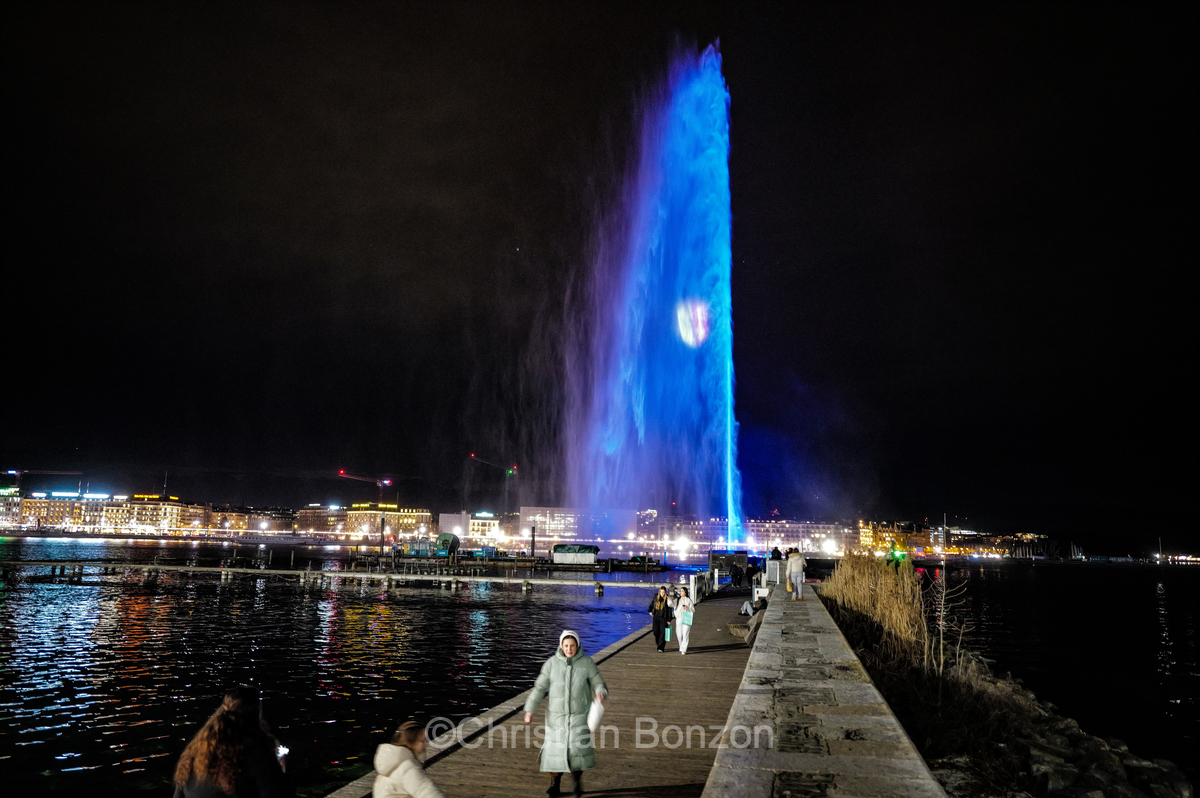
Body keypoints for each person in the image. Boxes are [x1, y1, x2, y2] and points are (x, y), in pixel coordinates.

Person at [523, 630, 608, 797]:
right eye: (566, 645)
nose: (569, 649)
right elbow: (540, 688)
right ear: (561, 645)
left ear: (577, 646)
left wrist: (601, 692)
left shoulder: (587, 663)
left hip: (579, 716)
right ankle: (555, 784)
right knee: (555, 752)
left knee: (577, 752)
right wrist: (529, 709)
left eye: (572, 646)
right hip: (557, 718)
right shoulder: (551, 664)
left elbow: (597, 681)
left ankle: (576, 781)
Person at [173, 686, 294, 798]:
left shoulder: (197, 747)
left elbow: (179, 792)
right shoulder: (256, 750)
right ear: (256, 714)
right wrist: (281, 769)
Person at [372, 720, 444, 798]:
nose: (427, 743)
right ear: (410, 743)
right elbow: (427, 792)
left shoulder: (392, 762)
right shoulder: (408, 767)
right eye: (422, 741)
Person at [648, 586, 672, 652]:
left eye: (663, 592)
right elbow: (652, 605)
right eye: (661, 592)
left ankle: (661, 648)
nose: (662, 593)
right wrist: (650, 610)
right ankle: (659, 644)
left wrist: (669, 619)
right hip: (656, 617)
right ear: (659, 592)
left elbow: (669, 609)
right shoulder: (656, 597)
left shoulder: (667, 599)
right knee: (656, 632)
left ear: (665, 592)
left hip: (663, 618)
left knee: (663, 632)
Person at [671, 586, 695, 655]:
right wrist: (669, 600)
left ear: (685, 592)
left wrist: (687, 608)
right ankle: (681, 645)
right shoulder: (677, 600)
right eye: (680, 591)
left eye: (682, 591)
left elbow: (693, 609)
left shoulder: (688, 600)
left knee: (685, 634)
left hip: (686, 617)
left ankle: (684, 649)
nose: (680, 592)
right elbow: (671, 604)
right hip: (679, 618)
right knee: (679, 634)